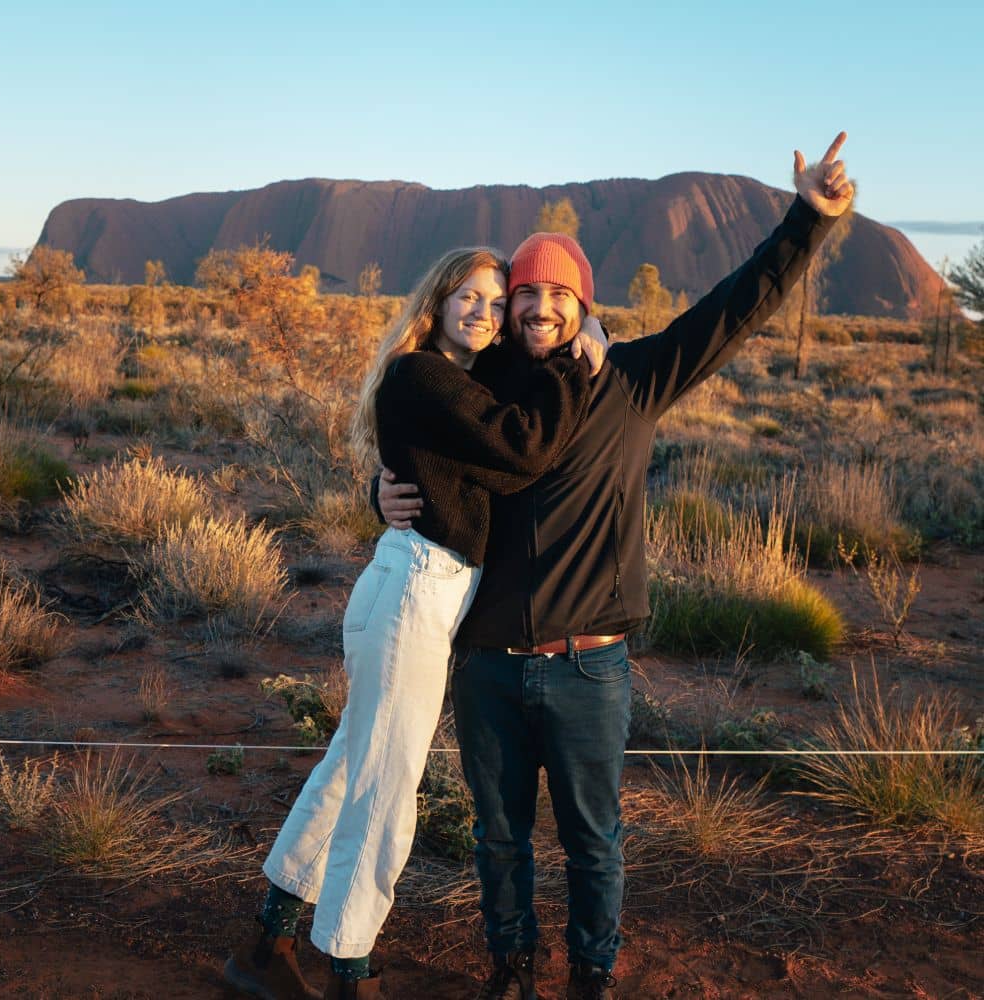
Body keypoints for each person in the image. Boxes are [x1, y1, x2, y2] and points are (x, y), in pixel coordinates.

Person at [378, 135, 855, 1000]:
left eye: (560, 294)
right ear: (510, 302)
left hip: (589, 664)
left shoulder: (631, 379)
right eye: (527, 293)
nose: (540, 308)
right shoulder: (480, 389)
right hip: (486, 661)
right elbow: (415, 441)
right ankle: (510, 966)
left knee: (594, 841)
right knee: (497, 838)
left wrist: (806, 222)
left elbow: (733, 308)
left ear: (583, 304)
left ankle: (592, 977)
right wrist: (382, 494)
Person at [223, 246, 606, 1000]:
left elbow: (492, 458)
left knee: (349, 769)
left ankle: (264, 947)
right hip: (412, 594)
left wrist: (385, 492)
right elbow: (520, 447)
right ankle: (348, 969)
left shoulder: (458, 381)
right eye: (469, 296)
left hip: (417, 588)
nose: (484, 313)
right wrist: (577, 369)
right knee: (385, 791)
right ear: (437, 299)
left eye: (497, 304)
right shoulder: (422, 374)